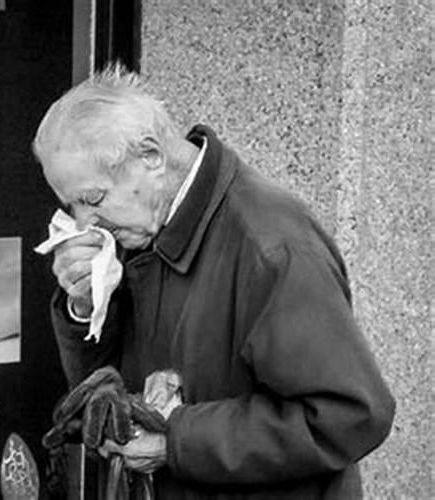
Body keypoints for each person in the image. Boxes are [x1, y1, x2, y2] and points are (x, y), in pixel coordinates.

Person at [33, 64, 395, 499]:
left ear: (151, 157)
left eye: (91, 199)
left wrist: (175, 441)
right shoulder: (142, 224)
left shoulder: (271, 245)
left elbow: (349, 415)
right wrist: (87, 307)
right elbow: (103, 383)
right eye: (71, 205)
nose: (82, 222)